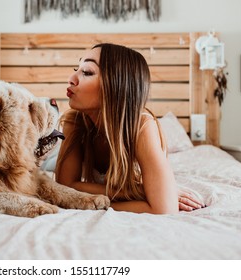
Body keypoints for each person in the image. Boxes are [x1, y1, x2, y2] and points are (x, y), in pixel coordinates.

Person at [55, 43, 205, 214]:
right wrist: (137, 192)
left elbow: (164, 209)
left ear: (116, 85)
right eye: (76, 68)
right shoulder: (74, 121)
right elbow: (65, 187)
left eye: (87, 72)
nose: (71, 78)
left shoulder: (143, 127)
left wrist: (94, 200)